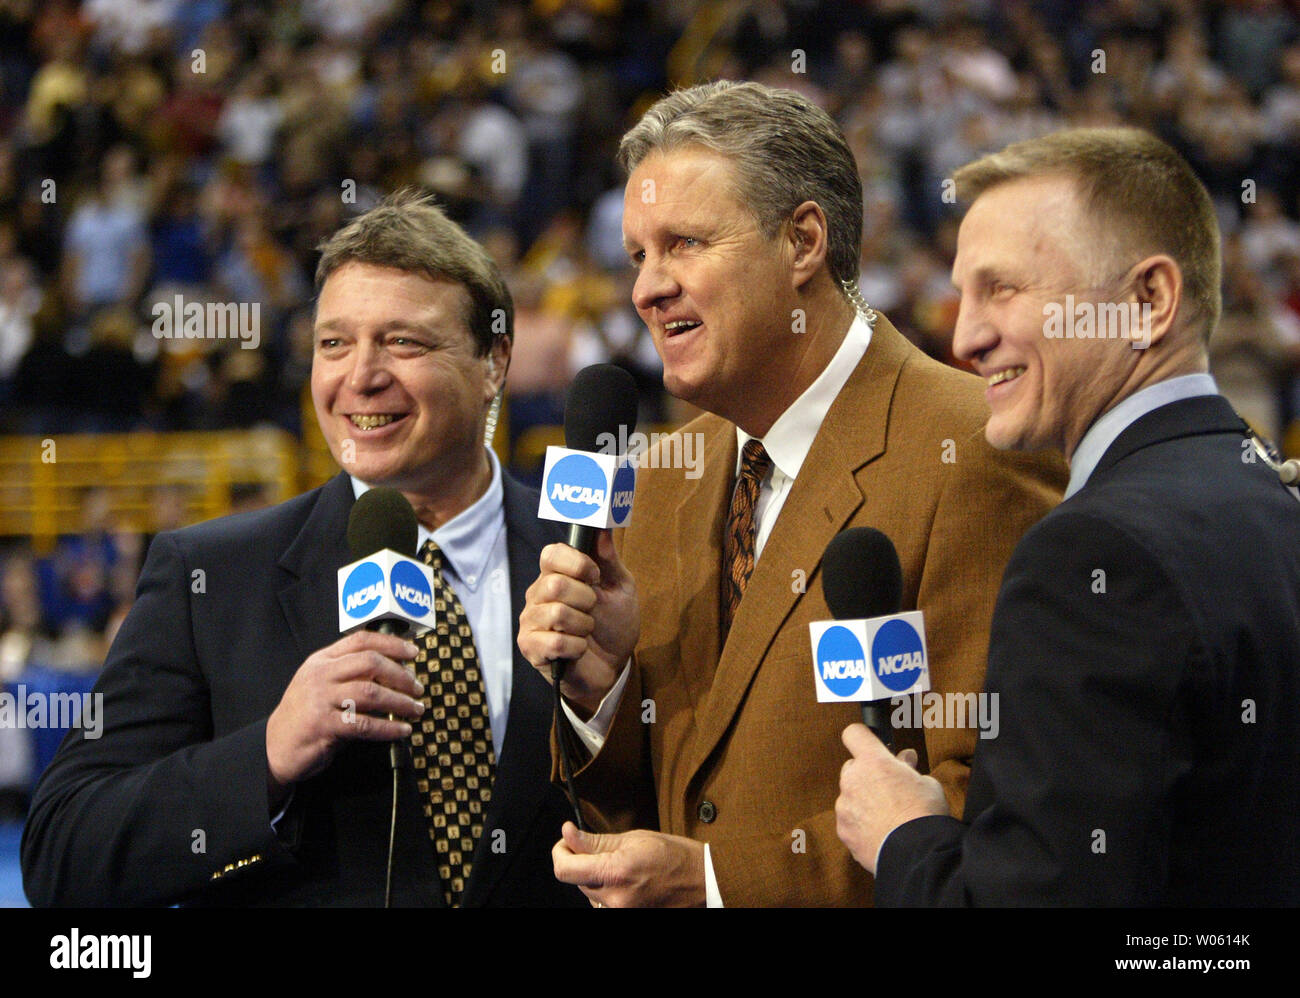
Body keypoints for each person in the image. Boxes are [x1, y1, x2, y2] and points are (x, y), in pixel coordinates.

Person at [517, 81, 1066, 907]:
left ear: (803, 241)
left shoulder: (976, 453)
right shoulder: (666, 472)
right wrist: (607, 690)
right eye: (638, 256)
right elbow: (668, 795)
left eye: (685, 244)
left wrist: (715, 884)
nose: (647, 288)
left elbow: (990, 811)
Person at [22, 190, 586, 907]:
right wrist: (266, 755)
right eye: (334, 343)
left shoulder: (594, 560)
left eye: (403, 341)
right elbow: (63, 852)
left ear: (493, 362)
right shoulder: (209, 577)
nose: (361, 375)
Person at [835, 128, 1300, 905]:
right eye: (964, 292)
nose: (966, 336)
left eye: (1004, 289)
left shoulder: (1096, 554)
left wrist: (903, 839)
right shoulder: (1270, 498)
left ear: (1147, 301)